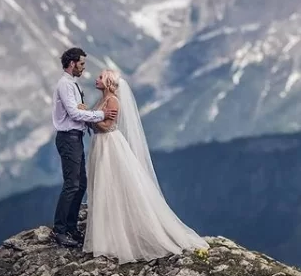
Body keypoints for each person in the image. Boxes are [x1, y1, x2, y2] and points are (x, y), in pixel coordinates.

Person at [81, 69, 209, 263]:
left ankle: (116, 237)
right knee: (103, 187)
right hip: (101, 145)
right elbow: (99, 121)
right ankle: (107, 236)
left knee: (110, 186)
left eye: (100, 77)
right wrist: (91, 116)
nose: (96, 79)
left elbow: (107, 126)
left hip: (109, 146)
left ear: (108, 82)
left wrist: (88, 117)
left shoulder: (113, 101)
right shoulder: (102, 101)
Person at [52, 48, 118, 247]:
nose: (83, 68)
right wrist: (100, 115)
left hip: (75, 138)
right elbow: (73, 113)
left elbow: (78, 112)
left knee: (80, 185)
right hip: (68, 138)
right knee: (72, 184)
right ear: (72, 63)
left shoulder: (72, 84)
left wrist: (88, 112)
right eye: (81, 64)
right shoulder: (65, 85)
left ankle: (71, 227)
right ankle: (60, 230)